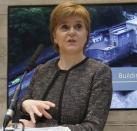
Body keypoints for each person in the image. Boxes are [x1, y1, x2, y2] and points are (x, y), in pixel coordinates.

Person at [17, 2, 112, 131]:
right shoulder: (41, 70)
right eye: (64, 27)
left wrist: (41, 129)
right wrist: (24, 105)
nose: (72, 32)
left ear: (86, 35)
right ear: (55, 36)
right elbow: (22, 112)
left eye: (78, 26)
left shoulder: (100, 72)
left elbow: (93, 127)